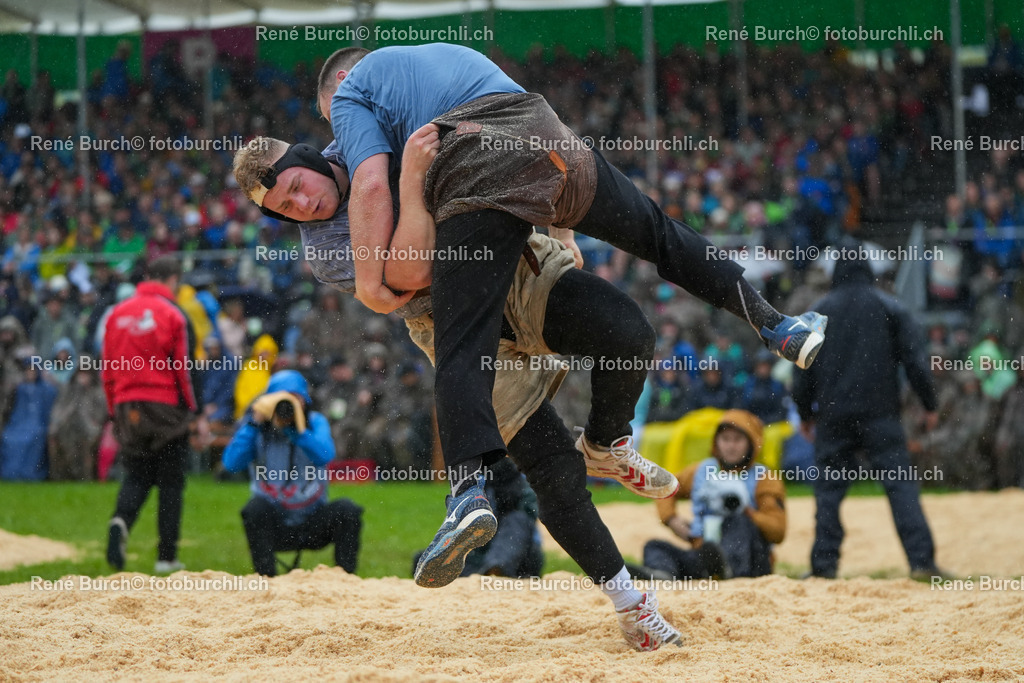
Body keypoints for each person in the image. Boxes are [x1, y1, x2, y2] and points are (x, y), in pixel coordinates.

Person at [308, 44, 827, 579]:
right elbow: (525, 135)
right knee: (657, 231)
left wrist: (372, 283)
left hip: (479, 172)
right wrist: (561, 227)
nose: (341, 140)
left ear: (343, 81)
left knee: (467, 349)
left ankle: (466, 493)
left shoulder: (354, 93)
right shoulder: (431, 64)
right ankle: (776, 324)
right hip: (541, 133)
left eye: (335, 123)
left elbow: (378, 200)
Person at [233, 136, 683, 650]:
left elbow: (534, 151)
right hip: (449, 320)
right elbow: (420, 272)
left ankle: (606, 442)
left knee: (629, 333)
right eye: (285, 210)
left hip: (516, 271)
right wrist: (410, 181)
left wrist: (560, 230)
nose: (303, 207)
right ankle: (633, 608)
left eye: (296, 188)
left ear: (308, 158)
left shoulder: (370, 135)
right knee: (553, 469)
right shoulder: (326, 251)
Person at [792, 240, 944, 580]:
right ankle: (921, 562)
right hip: (881, 415)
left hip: (833, 417)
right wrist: (929, 405)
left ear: (834, 273)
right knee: (901, 486)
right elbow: (916, 363)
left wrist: (805, 415)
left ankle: (823, 566)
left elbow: (801, 370)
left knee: (829, 493)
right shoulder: (891, 307)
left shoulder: (817, 313)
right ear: (869, 271)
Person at [102, 256, 199, 574]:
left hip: (127, 406)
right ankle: (166, 557)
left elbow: (107, 368)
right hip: (165, 406)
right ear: (172, 279)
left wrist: (114, 409)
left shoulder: (116, 314)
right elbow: (182, 369)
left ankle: (120, 521)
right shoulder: (173, 314)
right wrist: (192, 411)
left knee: (137, 474)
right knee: (171, 482)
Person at [222, 370, 363, 577]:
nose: (286, 408)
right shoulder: (256, 429)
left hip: (312, 521)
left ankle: (345, 579)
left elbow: (325, 455)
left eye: (293, 401)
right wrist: (253, 424)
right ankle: (266, 579)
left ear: (304, 402)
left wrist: (298, 433)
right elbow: (231, 464)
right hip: (274, 523)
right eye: (280, 400)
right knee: (254, 510)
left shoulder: (315, 422)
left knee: (347, 510)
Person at [644, 410, 786, 580]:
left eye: (738, 440)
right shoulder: (701, 471)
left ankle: (726, 570)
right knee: (654, 547)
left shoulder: (764, 478)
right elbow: (664, 486)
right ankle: (664, 575)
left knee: (738, 522)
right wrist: (671, 518)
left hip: (751, 561)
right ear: (716, 442)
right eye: (725, 439)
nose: (731, 446)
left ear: (752, 443)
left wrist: (748, 513)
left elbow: (778, 531)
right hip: (705, 553)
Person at [413, 457, 543, 579]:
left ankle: (495, 569)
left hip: (519, 555)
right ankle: (486, 572)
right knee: (421, 560)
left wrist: (509, 498)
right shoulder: (472, 481)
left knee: (516, 521)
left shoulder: (520, 480)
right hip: (480, 554)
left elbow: (528, 515)